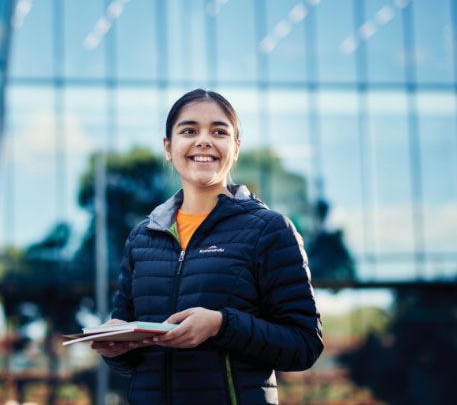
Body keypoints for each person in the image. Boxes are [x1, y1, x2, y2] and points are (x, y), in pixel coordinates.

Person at [91, 89, 323, 404]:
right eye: (189, 130)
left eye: (218, 131)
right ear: (168, 148)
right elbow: (132, 359)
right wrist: (115, 347)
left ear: (235, 148)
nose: (203, 140)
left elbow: (304, 345)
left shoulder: (268, 230)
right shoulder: (143, 238)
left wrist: (220, 325)